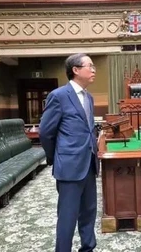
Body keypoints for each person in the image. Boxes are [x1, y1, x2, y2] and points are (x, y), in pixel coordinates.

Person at [39, 53, 99, 252]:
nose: (93, 70)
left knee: (89, 212)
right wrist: (54, 157)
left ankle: (88, 248)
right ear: (75, 70)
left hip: (89, 163)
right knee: (67, 215)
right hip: (69, 166)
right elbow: (46, 132)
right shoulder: (58, 96)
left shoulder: (89, 97)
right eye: (89, 66)